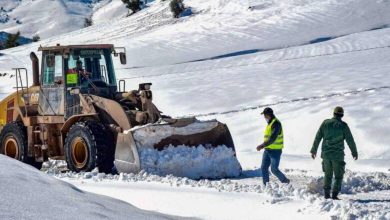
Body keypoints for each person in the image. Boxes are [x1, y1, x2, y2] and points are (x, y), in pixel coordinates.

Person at [310, 106, 358, 200]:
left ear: (334, 114)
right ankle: (334, 195)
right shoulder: (344, 126)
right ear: (342, 115)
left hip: (326, 155)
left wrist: (313, 150)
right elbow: (350, 140)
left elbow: (318, 137)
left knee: (328, 175)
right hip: (338, 156)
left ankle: (326, 194)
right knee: (338, 176)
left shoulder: (325, 123)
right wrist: (354, 152)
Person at [257, 107, 290, 186]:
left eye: (265, 115)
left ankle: (285, 181)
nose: (264, 117)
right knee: (263, 168)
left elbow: (272, 138)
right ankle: (266, 185)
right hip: (267, 150)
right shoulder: (270, 123)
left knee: (274, 169)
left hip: (275, 151)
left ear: (268, 115)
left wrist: (262, 145)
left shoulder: (276, 124)